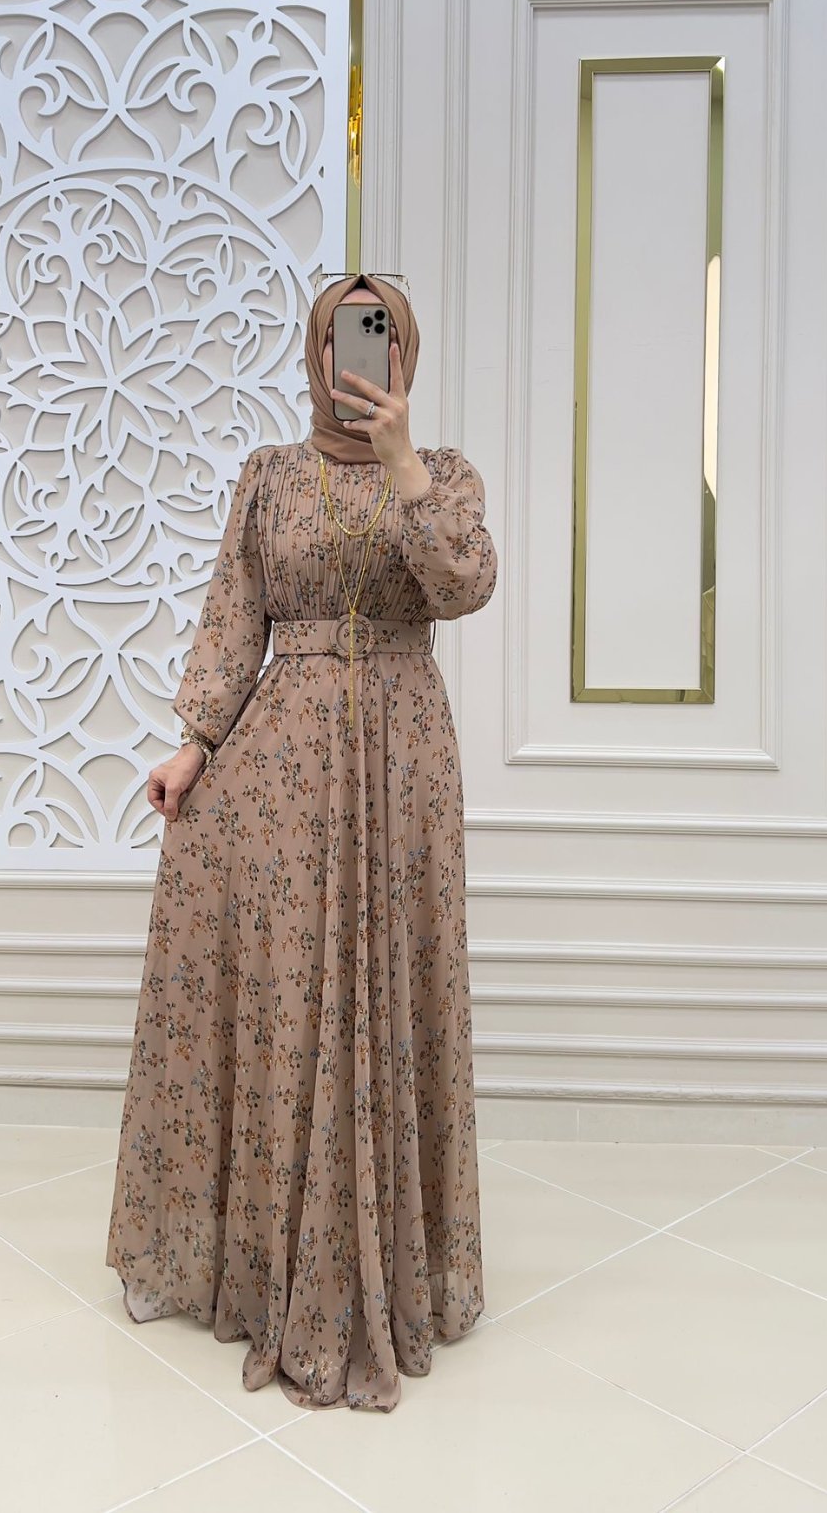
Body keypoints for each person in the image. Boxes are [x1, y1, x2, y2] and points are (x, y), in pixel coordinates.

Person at [105, 272, 498, 1412]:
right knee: (289, 996)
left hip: (404, 759)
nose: (354, 358)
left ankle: (384, 1262)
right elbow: (235, 613)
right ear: (316, 353)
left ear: (403, 354)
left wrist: (403, 462)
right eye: (338, 338)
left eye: (375, 338)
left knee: (389, 985)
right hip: (280, 766)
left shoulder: (446, 475)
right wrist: (194, 742)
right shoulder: (270, 476)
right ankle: (266, 1259)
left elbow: (464, 585)